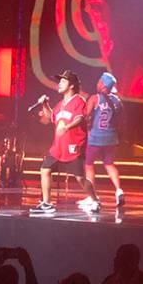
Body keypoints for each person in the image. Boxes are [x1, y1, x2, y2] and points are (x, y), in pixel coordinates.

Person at [30, 70, 100, 214]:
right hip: (58, 147)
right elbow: (52, 117)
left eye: (63, 81)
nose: (59, 84)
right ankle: (46, 203)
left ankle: (95, 200)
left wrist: (67, 127)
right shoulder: (61, 103)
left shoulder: (79, 100)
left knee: (80, 178)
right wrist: (45, 104)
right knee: (45, 169)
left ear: (72, 85)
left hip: (74, 146)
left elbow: (80, 118)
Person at [81, 72, 125, 209]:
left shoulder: (95, 98)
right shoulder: (117, 101)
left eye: (100, 81)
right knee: (109, 164)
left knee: (88, 165)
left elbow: (85, 116)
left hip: (95, 137)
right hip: (111, 138)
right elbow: (121, 119)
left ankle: (91, 196)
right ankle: (119, 190)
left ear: (104, 86)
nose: (98, 83)